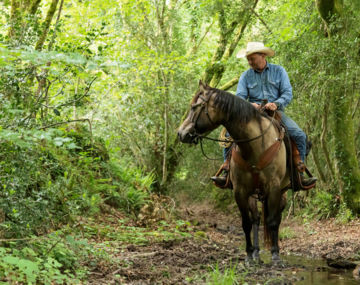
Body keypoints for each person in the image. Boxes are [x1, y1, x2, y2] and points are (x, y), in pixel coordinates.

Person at [211, 42, 317, 188]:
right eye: (248, 59)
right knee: (228, 135)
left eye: (252, 58)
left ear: (263, 55)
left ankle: (299, 173)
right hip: (251, 114)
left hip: (275, 113)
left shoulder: (279, 71)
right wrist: (250, 105)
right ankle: (227, 170)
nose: (249, 62)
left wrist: (277, 103)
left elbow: (287, 93)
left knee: (299, 135)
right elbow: (240, 96)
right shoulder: (245, 76)